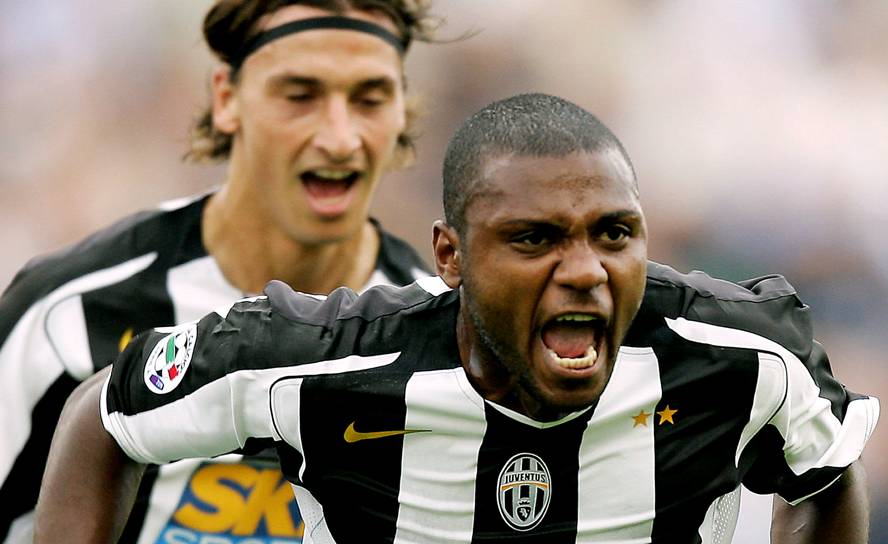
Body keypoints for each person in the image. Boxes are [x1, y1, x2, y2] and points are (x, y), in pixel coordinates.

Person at [35, 93, 879, 543]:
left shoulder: (738, 353)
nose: (584, 270)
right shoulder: (318, 360)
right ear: (450, 257)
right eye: (534, 239)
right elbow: (104, 416)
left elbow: (826, 473)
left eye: (614, 234)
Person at [1, 1, 437, 542]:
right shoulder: (67, 315)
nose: (340, 137)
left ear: (402, 112)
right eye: (300, 96)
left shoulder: (437, 338)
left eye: (370, 99)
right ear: (227, 99)